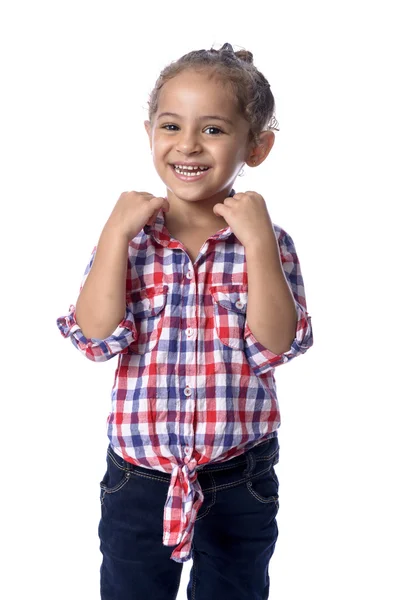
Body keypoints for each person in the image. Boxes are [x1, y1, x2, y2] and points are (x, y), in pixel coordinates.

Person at [56, 42, 314, 600]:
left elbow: (277, 345)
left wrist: (260, 246)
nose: (188, 145)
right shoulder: (131, 239)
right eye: (171, 125)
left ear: (258, 146)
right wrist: (114, 236)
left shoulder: (268, 244)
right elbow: (95, 338)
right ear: (149, 131)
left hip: (239, 473)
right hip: (139, 477)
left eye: (215, 129)